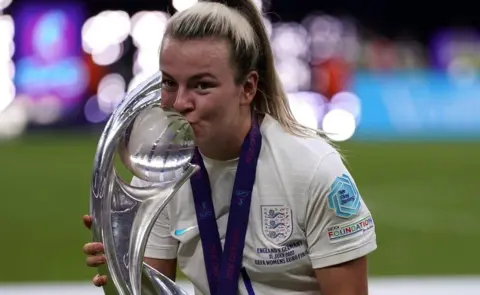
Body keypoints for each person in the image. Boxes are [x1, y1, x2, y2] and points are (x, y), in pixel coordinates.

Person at [82, 0, 377, 294]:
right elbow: (150, 289)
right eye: (170, 83)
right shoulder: (159, 173)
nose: (181, 102)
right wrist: (123, 271)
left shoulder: (313, 172)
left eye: (202, 86)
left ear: (247, 88)